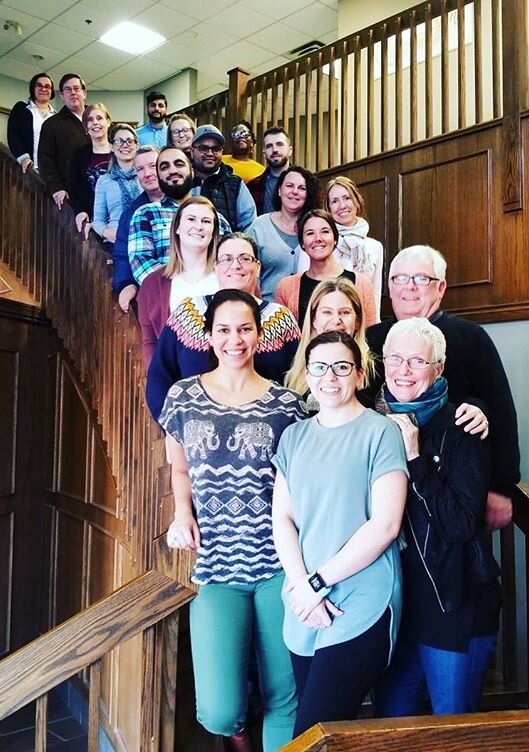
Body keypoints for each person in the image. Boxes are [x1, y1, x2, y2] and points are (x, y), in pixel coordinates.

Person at [159, 289, 306, 752]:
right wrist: (183, 512)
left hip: (279, 566)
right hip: (217, 567)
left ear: (259, 336)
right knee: (220, 710)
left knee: (287, 695)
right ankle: (241, 736)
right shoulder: (183, 397)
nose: (234, 339)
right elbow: (178, 467)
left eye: (244, 329)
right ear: (208, 335)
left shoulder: (287, 405)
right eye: (223, 329)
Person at [271, 330, 408, 737]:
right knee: (321, 733)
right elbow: (283, 520)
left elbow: (386, 524)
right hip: (304, 603)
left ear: (359, 373)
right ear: (307, 373)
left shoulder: (380, 432)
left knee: (311, 734)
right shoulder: (293, 436)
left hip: (362, 599)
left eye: (341, 367)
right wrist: (301, 585)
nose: (330, 376)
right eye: (319, 367)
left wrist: (318, 582)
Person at [373, 317, 502, 716]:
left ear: (439, 368)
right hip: (395, 604)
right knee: (389, 728)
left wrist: (415, 457)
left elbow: (460, 525)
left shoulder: (463, 427)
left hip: (454, 601)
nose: (403, 370)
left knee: (453, 726)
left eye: (417, 361)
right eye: (395, 359)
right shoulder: (370, 426)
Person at [365, 245, 520, 531]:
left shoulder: (471, 337)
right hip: (384, 491)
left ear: (441, 288)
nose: (409, 288)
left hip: (453, 494)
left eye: (421, 279)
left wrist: (501, 486)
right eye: (399, 278)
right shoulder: (370, 340)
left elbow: (502, 413)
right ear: (388, 287)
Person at [147, 232, 300, 421]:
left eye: (245, 258)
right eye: (226, 259)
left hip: (267, 435)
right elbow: (160, 375)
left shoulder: (281, 318)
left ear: (258, 267)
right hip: (197, 437)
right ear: (215, 266)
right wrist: (174, 430)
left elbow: (298, 379)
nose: (235, 265)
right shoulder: (188, 312)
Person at [127, 146, 231, 286]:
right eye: (164, 167)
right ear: (159, 177)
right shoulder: (146, 215)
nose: (173, 170)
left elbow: (228, 262)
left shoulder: (216, 219)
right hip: (165, 299)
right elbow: (141, 263)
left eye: (179, 164)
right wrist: (181, 288)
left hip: (213, 298)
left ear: (192, 172)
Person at [137, 196, 220, 369]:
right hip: (176, 384)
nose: (198, 226)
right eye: (191, 219)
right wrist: (159, 382)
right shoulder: (152, 284)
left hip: (227, 384)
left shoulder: (230, 276)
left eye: (206, 221)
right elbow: (149, 341)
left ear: (213, 232)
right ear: (177, 228)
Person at [274, 209, 377, 328]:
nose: (318, 238)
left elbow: (370, 335)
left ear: (335, 239)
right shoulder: (286, 287)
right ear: (302, 243)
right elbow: (283, 339)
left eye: (325, 231)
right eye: (310, 233)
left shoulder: (362, 284)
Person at [285, 277, 370, 401]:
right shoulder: (294, 372)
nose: (336, 321)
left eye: (345, 312)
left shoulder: (375, 371)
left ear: (357, 321)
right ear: (313, 319)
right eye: (327, 312)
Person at [247, 166, 322, 300]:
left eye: (301, 188)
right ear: (279, 190)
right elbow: (249, 273)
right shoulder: (259, 227)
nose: (295, 192)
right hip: (268, 311)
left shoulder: (316, 227)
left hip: (310, 311)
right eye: (289, 186)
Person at [111, 146, 163, 313]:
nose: (147, 173)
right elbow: (122, 253)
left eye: (152, 166)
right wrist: (126, 283)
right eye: (140, 169)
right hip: (153, 293)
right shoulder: (131, 213)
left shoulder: (186, 202)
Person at [325, 176, 384, 318]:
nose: (342, 205)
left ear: (357, 201)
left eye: (347, 198)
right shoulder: (324, 244)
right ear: (328, 208)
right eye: (334, 201)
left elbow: (375, 295)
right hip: (330, 321)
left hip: (362, 322)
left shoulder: (375, 247)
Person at [190, 125, 256, 231]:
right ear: (192, 151)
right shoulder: (182, 181)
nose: (210, 153)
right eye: (203, 148)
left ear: (222, 152)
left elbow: (249, 226)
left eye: (216, 149)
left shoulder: (236, 184)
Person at [38, 73, 89, 209]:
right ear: (61, 96)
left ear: (84, 93)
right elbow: (45, 161)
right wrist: (56, 188)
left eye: (76, 88)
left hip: (100, 193)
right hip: (70, 196)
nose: (72, 93)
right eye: (67, 89)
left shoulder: (97, 119)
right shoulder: (52, 125)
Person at [90, 123, 141, 243]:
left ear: (137, 146)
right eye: (119, 141)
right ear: (112, 147)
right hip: (116, 241)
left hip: (144, 238)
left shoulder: (145, 175)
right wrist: (106, 232)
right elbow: (98, 220)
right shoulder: (104, 180)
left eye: (130, 141)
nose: (125, 145)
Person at [70, 103, 113, 236]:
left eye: (99, 118)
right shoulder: (78, 155)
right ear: (86, 128)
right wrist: (80, 211)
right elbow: (73, 188)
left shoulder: (120, 151)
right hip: (91, 221)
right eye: (90, 120)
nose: (95, 123)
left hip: (119, 220)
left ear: (108, 122)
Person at [7, 72, 56, 173]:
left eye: (47, 86)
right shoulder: (22, 108)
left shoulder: (56, 116)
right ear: (33, 88)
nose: (43, 89)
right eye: (39, 85)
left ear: (51, 91)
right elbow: (13, 135)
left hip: (51, 173)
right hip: (28, 169)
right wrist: (24, 158)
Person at [247, 127, 294, 215]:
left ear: (290, 151)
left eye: (279, 144)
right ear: (264, 154)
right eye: (269, 146)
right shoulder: (252, 187)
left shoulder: (306, 182)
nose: (275, 150)